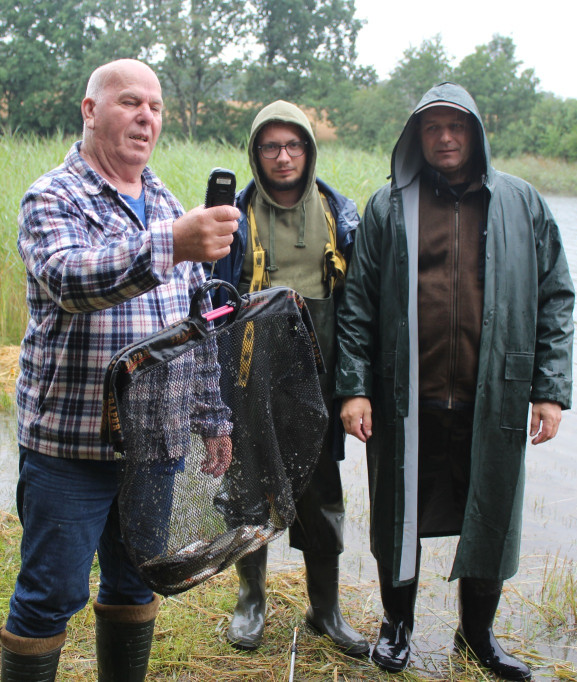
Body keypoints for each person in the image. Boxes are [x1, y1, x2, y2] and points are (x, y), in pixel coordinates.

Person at [0, 59, 240, 682]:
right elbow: (69, 279)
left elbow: (198, 325)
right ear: (90, 110)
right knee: (51, 594)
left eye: (156, 107)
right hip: (70, 446)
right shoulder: (53, 195)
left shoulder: (163, 200)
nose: (146, 116)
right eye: (131, 101)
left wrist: (213, 417)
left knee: (136, 583)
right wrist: (172, 244)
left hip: (153, 447)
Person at [336, 82, 575, 679]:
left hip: (492, 395)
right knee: (399, 514)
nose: (445, 138)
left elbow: (556, 297)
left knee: (490, 512)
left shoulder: (522, 204)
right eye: (432, 127)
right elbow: (358, 305)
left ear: (476, 132)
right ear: (416, 136)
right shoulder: (390, 206)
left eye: (456, 126)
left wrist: (548, 389)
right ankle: (397, 628)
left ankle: (478, 637)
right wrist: (355, 387)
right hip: (403, 400)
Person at [211, 100, 369, 657]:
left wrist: (355, 388)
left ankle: (324, 609)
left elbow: (356, 314)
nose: (283, 156)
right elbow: (212, 309)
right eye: (271, 147)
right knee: (248, 492)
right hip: (253, 374)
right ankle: (251, 601)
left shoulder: (341, 215)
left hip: (321, 384)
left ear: (309, 150)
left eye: (294, 145)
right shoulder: (233, 215)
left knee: (322, 494)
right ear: (256, 155)